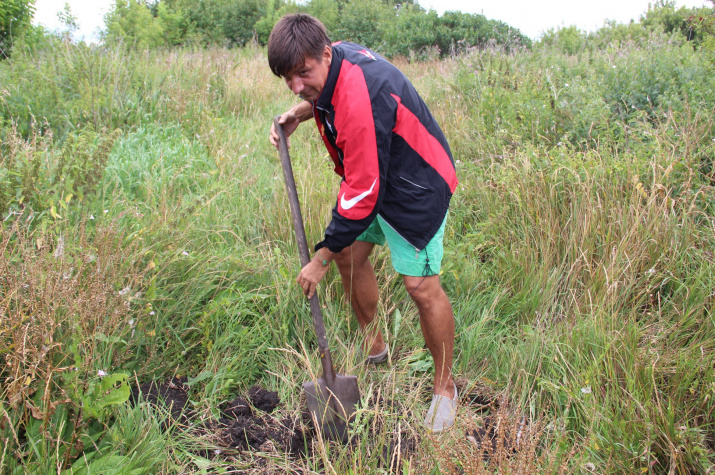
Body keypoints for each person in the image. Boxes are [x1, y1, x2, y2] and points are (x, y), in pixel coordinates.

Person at [268, 13, 458, 432]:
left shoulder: (360, 101)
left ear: (325, 54)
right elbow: (363, 181)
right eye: (287, 78)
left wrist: (319, 258)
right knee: (349, 255)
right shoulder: (336, 58)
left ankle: (445, 389)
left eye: (303, 74)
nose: (296, 85)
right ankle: (375, 348)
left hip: (416, 185)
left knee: (421, 288)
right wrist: (301, 111)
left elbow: (362, 193)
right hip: (375, 176)